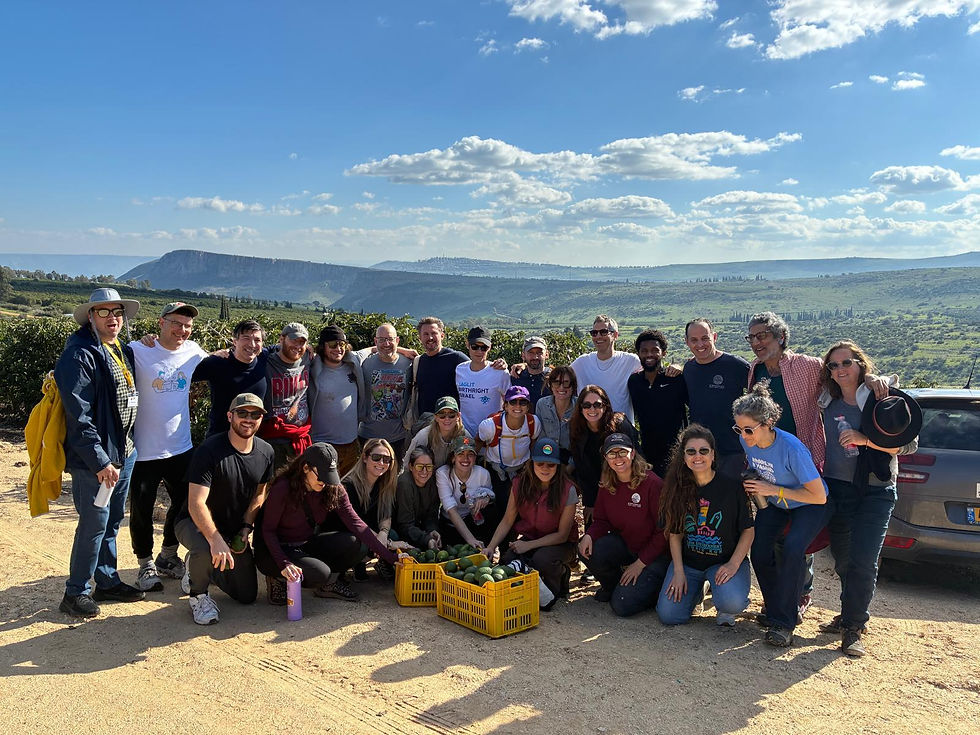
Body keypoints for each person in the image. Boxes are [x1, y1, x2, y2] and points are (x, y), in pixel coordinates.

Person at [744, 312, 890, 622]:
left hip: (806, 464)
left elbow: (844, 378)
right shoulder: (755, 371)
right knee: (778, 538)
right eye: (752, 337)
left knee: (801, 537)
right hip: (772, 466)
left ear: (780, 338)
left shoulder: (808, 366)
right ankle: (781, 601)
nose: (757, 342)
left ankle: (800, 596)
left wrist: (874, 379)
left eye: (763, 336)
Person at [816, 341, 920, 657]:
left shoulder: (881, 399)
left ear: (861, 364)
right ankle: (849, 614)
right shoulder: (826, 401)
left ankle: (854, 626)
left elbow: (908, 446)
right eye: (833, 366)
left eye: (846, 363)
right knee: (844, 559)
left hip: (876, 490)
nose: (840, 370)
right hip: (838, 488)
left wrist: (867, 441)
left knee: (863, 560)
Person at [54, 288, 145, 617]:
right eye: (104, 312)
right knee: (94, 522)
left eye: (117, 312)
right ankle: (74, 592)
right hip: (99, 461)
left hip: (124, 453)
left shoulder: (118, 347)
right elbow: (79, 418)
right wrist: (100, 462)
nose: (113, 318)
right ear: (91, 317)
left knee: (112, 520)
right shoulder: (79, 354)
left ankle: (106, 581)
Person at [734, 382, 829, 647]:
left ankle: (784, 623)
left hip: (808, 504)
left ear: (768, 423)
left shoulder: (791, 448)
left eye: (749, 429)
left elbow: (819, 495)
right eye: (739, 429)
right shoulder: (747, 440)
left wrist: (771, 488)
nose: (744, 435)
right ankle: (776, 609)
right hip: (777, 503)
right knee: (761, 553)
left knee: (793, 549)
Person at [254, 443, 398, 605]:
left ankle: (327, 585)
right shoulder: (283, 488)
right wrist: (284, 563)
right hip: (275, 548)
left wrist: (392, 558)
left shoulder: (333, 487)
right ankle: (277, 577)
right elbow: (268, 530)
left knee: (356, 543)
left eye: (329, 475)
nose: (324, 481)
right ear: (306, 468)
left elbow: (357, 524)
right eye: (320, 475)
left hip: (305, 543)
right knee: (319, 574)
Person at [128, 301, 208, 592]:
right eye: (176, 323)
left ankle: (167, 555)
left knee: (185, 504)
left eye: (187, 325)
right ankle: (145, 563)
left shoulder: (194, 351)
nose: (182, 330)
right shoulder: (138, 350)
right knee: (141, 510)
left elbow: (225, 360)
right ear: (161, 323)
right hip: (143, 450)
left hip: (181, 447)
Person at [175, 393, 275, 625]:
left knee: (247, 595)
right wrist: (215, 539)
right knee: (203, 545)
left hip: (232, 529)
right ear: (230, 416)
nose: (248, 419)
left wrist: (245, 528)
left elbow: (260, 495)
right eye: (242, 413)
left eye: (255, 414)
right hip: (192, 523)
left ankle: (200, 567)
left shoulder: (266, 452)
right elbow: (196, 503)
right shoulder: (209, 450)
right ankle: (198, 594)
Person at [656, 425, 754, 626]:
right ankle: (696, 593)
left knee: (732, 602)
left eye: (703, 451)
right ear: (683, 457)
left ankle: (723, 603)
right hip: (690, 564)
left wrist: (734, 563)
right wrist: (678, 571)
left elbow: (748, 530)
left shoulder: (732, 487)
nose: (697, 456)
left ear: (713, 455)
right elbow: (674, 534)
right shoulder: (676, 488)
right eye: (691, 451)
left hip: (723, 562)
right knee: (669, 615)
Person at [578, 433, 669, 617]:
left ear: (633, 453)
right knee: (586, 548)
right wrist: (589, 535)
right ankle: (616, 587)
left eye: (622, 452)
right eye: (612, 454)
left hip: (656, 556)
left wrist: (640, 563)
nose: (617, 458)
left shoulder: (652, 484)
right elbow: (602, 521)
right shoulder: (607, 483)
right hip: (627, 546)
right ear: (605, 458)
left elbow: (663, 532)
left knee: (622, 606)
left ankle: (655, 590)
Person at [484, 438, 578, 603]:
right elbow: (507, 520)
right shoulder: (519, 484)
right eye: (540, 463)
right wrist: (491, 547)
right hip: (532, 537)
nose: (545, 468)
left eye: (551, 465)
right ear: (531, 463)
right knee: (508, 560)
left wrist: (528, 545)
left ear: (558, 466)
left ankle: (561, 576)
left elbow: (563, 535)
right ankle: (531, 585)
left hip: (560, 543)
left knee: (542, 560)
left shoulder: (568, 489)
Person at [683, 317, 750, 478]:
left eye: (705, 338)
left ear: (714, 337)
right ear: (687, 342)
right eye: (694, 340)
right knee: (704, 500)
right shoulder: (689, 368)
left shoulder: (735, 365)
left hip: (731, 450)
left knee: (732, 498)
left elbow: (760, 397)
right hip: (700, 451)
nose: (700, 345)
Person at [570, 384, 639, 526]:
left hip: (624, 486)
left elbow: (637, 458)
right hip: (595, 491)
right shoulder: (577, 429)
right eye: (587, 405)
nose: (592, 409)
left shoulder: (619, 425)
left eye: (597, 404)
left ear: (605, 406)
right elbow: (582, 469)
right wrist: (589, 503)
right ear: (580, 408)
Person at [341, 438, 405, 580]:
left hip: (369, 529)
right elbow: (355, 524)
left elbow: (386, 513)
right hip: (346, 533)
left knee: (392, 534)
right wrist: (385, 543)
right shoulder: (349, 485)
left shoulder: (384, 482)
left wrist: (383, 534)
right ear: (365, 457)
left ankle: (381, 563)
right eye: (376, 457)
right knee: (361, 544)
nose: (381, 463)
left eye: (387, 459)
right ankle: (353, 565)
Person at [192, 319, 270, 436]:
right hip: (220, 439)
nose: (252, 344)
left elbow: (289, 348)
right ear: (235, 341)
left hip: (251, 440)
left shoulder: (264, 357)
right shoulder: (217, 362)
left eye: (257, 340)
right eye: (246, 338)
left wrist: (307, 348)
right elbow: (182, 374)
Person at [628, 329, 688, 477]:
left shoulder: (676, 379)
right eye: (644, 351)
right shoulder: (634, 382)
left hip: (676, 452)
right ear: (638, 353)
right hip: (647, 453)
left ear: (664, 353)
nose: (649, 355)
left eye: (655, 350)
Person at [309, 325, 366, 477]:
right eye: (333, 345)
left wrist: (403, 350)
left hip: (351, 444)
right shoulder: (312, 368)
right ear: (323, 347)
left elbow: (374, 349)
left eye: (342, 344)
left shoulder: (353, 364)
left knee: (344, 490)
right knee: (322, 489)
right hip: (323, 445)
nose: (338, 349)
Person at [478, 385, 542, 506]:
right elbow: (478, 442)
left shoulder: (533, 423)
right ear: (505, 406)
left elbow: (533, 443)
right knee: (500, 504)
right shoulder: (490, 426)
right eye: (513, 402)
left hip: (522, 470)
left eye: (523, 402)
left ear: (528, 407)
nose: (518, 406)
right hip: (496, 471)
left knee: (523, 504)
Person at [260, 322, 312, 470]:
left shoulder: (307, 357)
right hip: (275, 439)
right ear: (281, 339)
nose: (297, 346)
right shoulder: (266, 361)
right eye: (293, 340)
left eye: (302, 342)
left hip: (302, 435)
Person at [569, 315, 641, 423]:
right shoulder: (581, 363)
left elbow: (654, 373)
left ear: (615, 335)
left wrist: (675, 367)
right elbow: (560, 377)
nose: (598, 336)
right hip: (591, 432)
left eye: (603, 332)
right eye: (594, 333)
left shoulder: (630, 361)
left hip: (621, 431)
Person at [358, 323, 413, 461]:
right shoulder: (364, 364)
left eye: (390, 339)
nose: (386, 343)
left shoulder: (410, 364)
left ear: (397, 340)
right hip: (367, 436)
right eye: (381, 340)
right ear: (375, 341)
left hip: (398, 438)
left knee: (393, 481)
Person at [436, 436, 498, 549]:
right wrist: (471, 540)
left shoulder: (483, 474)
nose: (466, 459)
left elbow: (491, 495)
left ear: (475, 458)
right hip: (450, 523)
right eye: (460, 454)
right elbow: (451, 510)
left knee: (492, 509)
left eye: (470, 454)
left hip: (473, 520)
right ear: (453, 458)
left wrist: (485, 498)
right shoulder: (443, 474)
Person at [456, 326, 510, 437]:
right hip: (464, 434)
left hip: (492, 434)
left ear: (490, 347)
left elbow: (509, 402)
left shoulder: (500, 372)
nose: (479, 351)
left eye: (484, 348)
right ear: (467, 345)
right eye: (475, 347)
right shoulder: (459, 370)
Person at [414, 316, 468, 415]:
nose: (430, 338)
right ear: (420, 338)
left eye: (434, 333)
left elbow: (479, 369)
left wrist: (498, 365)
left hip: (449, 422)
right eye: (425, 334)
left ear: (442, 335)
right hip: (425, 423)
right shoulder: (419, 361)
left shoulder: (456, 358)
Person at [401, 396, 470, 470]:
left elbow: (471, 459)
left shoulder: (464, 436)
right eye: (442, 415)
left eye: (451, 415)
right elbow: (407, 464)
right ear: (436, 417)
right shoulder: (424, 436)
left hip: (451, 477)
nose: (447, 419)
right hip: (426, 476)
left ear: (458, 416)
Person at [393, 447, 442, 551]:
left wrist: (432, 530)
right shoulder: (404, 484)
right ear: (411, 466)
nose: (424, 471)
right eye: (420, 467)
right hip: (399, 530)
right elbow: (404, 524)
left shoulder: (433, 482)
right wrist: (426, 539)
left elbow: (432, 514)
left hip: (417, 528)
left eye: (429, 467)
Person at [534, 366, 578, 465]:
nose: (561, 387)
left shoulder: (580, 406)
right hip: (547, 456)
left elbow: (581, 443)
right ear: (551, 385)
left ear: (573, 386)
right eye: (556, 382)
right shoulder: (542, 405)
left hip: (572, 460)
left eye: (566, 383)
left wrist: (569, 468)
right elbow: (540, 437)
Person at [510, 336, 551, 409]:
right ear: (523, 355)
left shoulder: (553, 377)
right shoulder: (515, 377)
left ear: (547, 354)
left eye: (539, 353)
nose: (535, 357)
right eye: (530, 353)